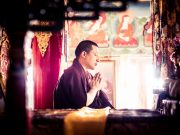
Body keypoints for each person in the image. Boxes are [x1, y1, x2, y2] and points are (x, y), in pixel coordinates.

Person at [53, 40, 114, 109]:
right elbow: (80, 105)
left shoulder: (89, 76)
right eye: (95, 55)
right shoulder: (72, 73)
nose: (98, 59)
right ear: (84, 54)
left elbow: (104, 102)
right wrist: (94, 89)